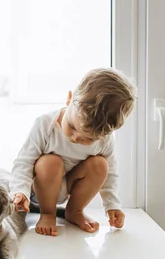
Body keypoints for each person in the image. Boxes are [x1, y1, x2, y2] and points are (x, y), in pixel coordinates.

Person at [10, 68, 137, 236]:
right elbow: (24, 162)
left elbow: (111, 174)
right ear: (69, 99)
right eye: (71, 126)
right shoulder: (45, 125)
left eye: (88, 139)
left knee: (101, 165)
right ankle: (48, 213)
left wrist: (112, 205)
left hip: (71, 185)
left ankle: (74, 211)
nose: (76, 138)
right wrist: (20, 191)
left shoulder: (104, 140)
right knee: (50, 162)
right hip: (40, 189)